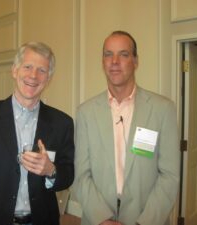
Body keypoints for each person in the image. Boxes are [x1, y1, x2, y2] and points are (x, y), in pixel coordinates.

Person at [0, 42, 75, 225]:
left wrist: (51, 170)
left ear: (49, 78)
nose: (33, 76)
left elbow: (68, 175)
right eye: (28, 67)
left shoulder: (62, 123)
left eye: (42, 70)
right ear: (14, 70)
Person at [73, 31, 180, 225]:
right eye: (108, 54)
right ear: (102, 61)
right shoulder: (85, 112)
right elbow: (81, 175)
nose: (114, 61)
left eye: (123, 54)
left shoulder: (163, 109)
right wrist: (102, 219)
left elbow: (169, 176)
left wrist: (144, 222)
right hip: (98, 219)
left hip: (146, 218)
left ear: (135, 61)